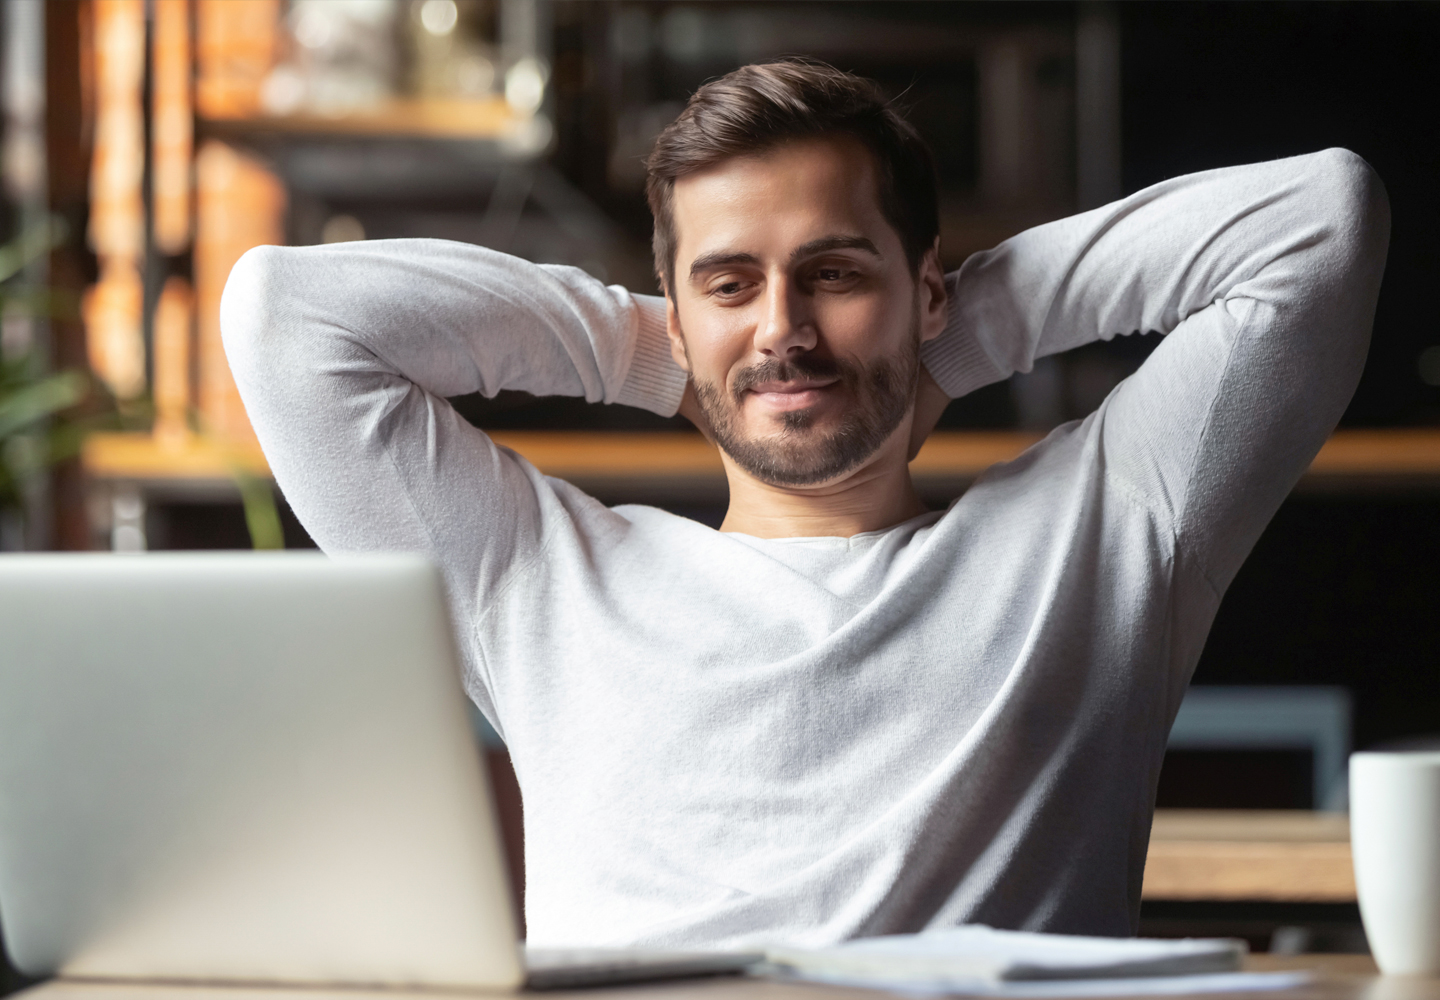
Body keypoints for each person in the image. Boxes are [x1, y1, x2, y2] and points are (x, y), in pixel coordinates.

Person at [222, 61, 1389, 949]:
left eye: (835, 274)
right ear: (676, 313)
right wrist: (658, 352)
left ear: (924, 284)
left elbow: (1320, 224)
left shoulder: (1107, 527)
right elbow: (288, 322)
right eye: (732, 283)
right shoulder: (531, 576)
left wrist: (948, 341)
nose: (782, 326)